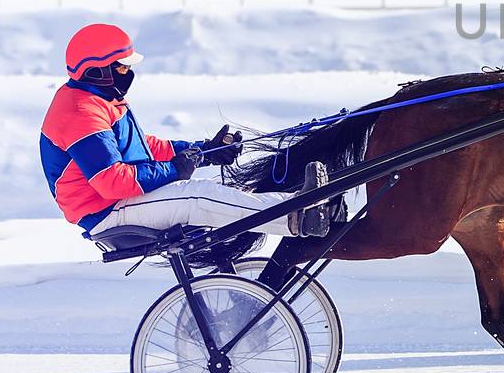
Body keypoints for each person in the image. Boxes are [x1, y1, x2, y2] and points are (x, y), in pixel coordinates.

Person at [39, 23, 341, 239]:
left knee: (209, 192)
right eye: (121, 67)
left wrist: (206, 151)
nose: (128, 73)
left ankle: (306, 208)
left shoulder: (99, 99)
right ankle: (298, 217)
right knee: (198, 196)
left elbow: (145, 148)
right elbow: (112, 182)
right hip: (106, 213)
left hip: (120, 202)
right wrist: (174, 171)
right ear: (97, 71)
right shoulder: (80, 113)